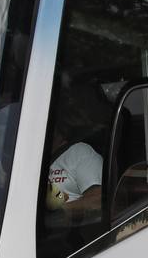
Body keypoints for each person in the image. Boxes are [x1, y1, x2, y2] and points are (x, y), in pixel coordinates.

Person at [45, 82, 108, 225]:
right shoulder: (27, 159)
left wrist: (59, 214)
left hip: (66, 233)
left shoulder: (79, 152)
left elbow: (98, 201)